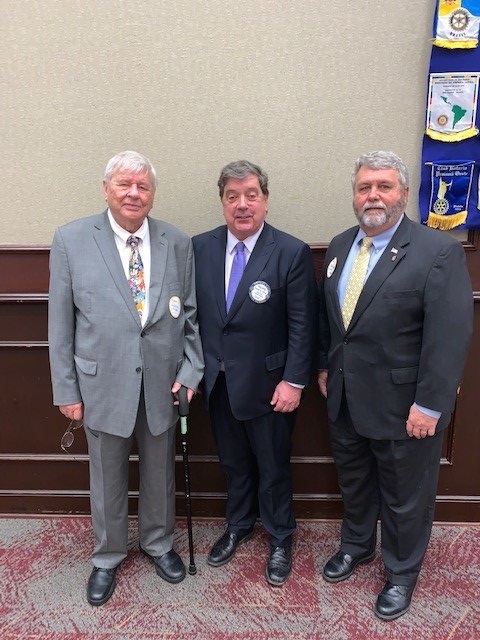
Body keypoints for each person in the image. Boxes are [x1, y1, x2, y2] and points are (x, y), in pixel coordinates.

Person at [317, 150, 473, 620]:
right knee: (356, 483)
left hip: (406, 406)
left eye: (384, 186)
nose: (373, 195)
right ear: (354, 195)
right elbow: (338, 322)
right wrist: (327, 367)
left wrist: (430, 404)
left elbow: (449, 336)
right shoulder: (341, 244)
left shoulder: (436, 250)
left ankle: (402, 572)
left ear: (404, 193)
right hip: (345, 398)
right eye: (365, 187)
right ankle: (358, 545)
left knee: (406, 496)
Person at [48, 150, 204, 606]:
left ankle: (159, 544)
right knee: (107, 476)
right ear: (106, 189)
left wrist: (192, 372)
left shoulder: (176, 242)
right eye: (124, 184)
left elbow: (190, 316)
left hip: (163, 383)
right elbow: (60, 325)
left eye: (143, 186)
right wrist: (66, 389)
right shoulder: (72, 239)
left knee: (161, 472)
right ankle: (108, 556)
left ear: (153, 194)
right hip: (100, 384)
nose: (134, 193)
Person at [192, 160, 317, 586]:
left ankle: (281, 537)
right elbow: (193, 319)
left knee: (273, 465)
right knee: (233, 463)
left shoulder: (290, 251)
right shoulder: (200, 247)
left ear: (264, 199)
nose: (241, 205)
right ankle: (239, 525)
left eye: (251, 195)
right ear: (223, 202)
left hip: (271, 386)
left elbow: (304, 324)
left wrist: (294, 381)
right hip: (218, 383)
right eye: (232, 197)